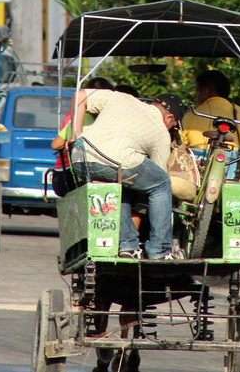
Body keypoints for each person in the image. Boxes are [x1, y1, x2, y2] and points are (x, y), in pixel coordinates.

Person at [69, 86, 186, 260]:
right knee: (161, 184)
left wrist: (75, 135)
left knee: (120, 182)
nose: (170, 130)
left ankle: (127, 247)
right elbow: (155, 177)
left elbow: (79, 96)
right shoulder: (161, 132)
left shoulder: (121, 98)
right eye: (173, 126)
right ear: (169, 118)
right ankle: (159, 250)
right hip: (117, 161)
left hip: (80, 158)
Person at [181, 70, 240, 174]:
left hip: (198, 180)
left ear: (205, 92)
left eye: (197, 93)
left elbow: (177, 147)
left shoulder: (191, 116)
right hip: (236, 182)